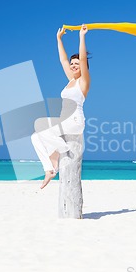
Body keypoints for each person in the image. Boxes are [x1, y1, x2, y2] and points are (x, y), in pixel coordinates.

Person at [30, 24, 91, 189]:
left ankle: (64, 149)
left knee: (42, 130)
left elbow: (84, 59)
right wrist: (59, 39)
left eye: (77, 63)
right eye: (72, 63)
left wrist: (82, 36)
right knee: (35, 137)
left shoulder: (83, 82)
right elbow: (63, 60)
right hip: (64, 121)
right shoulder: (70, 80)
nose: (73, 65)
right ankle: (49, 169)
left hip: (75, 121)